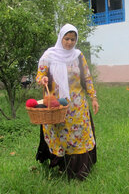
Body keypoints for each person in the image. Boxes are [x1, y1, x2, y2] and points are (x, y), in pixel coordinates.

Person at [35, 24, 99, 181]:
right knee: (59, 134)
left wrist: (93, 97)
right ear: (61, 38)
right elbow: (39, 76)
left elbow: (87, 77)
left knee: (78, 135)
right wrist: (42, 79)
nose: (70, 42)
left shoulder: (77, 55)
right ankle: (60, 165)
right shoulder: (49, 56)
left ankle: (79, 170)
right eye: (67, 38)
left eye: (73, 39)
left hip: (77, 105)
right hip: (56, 105)